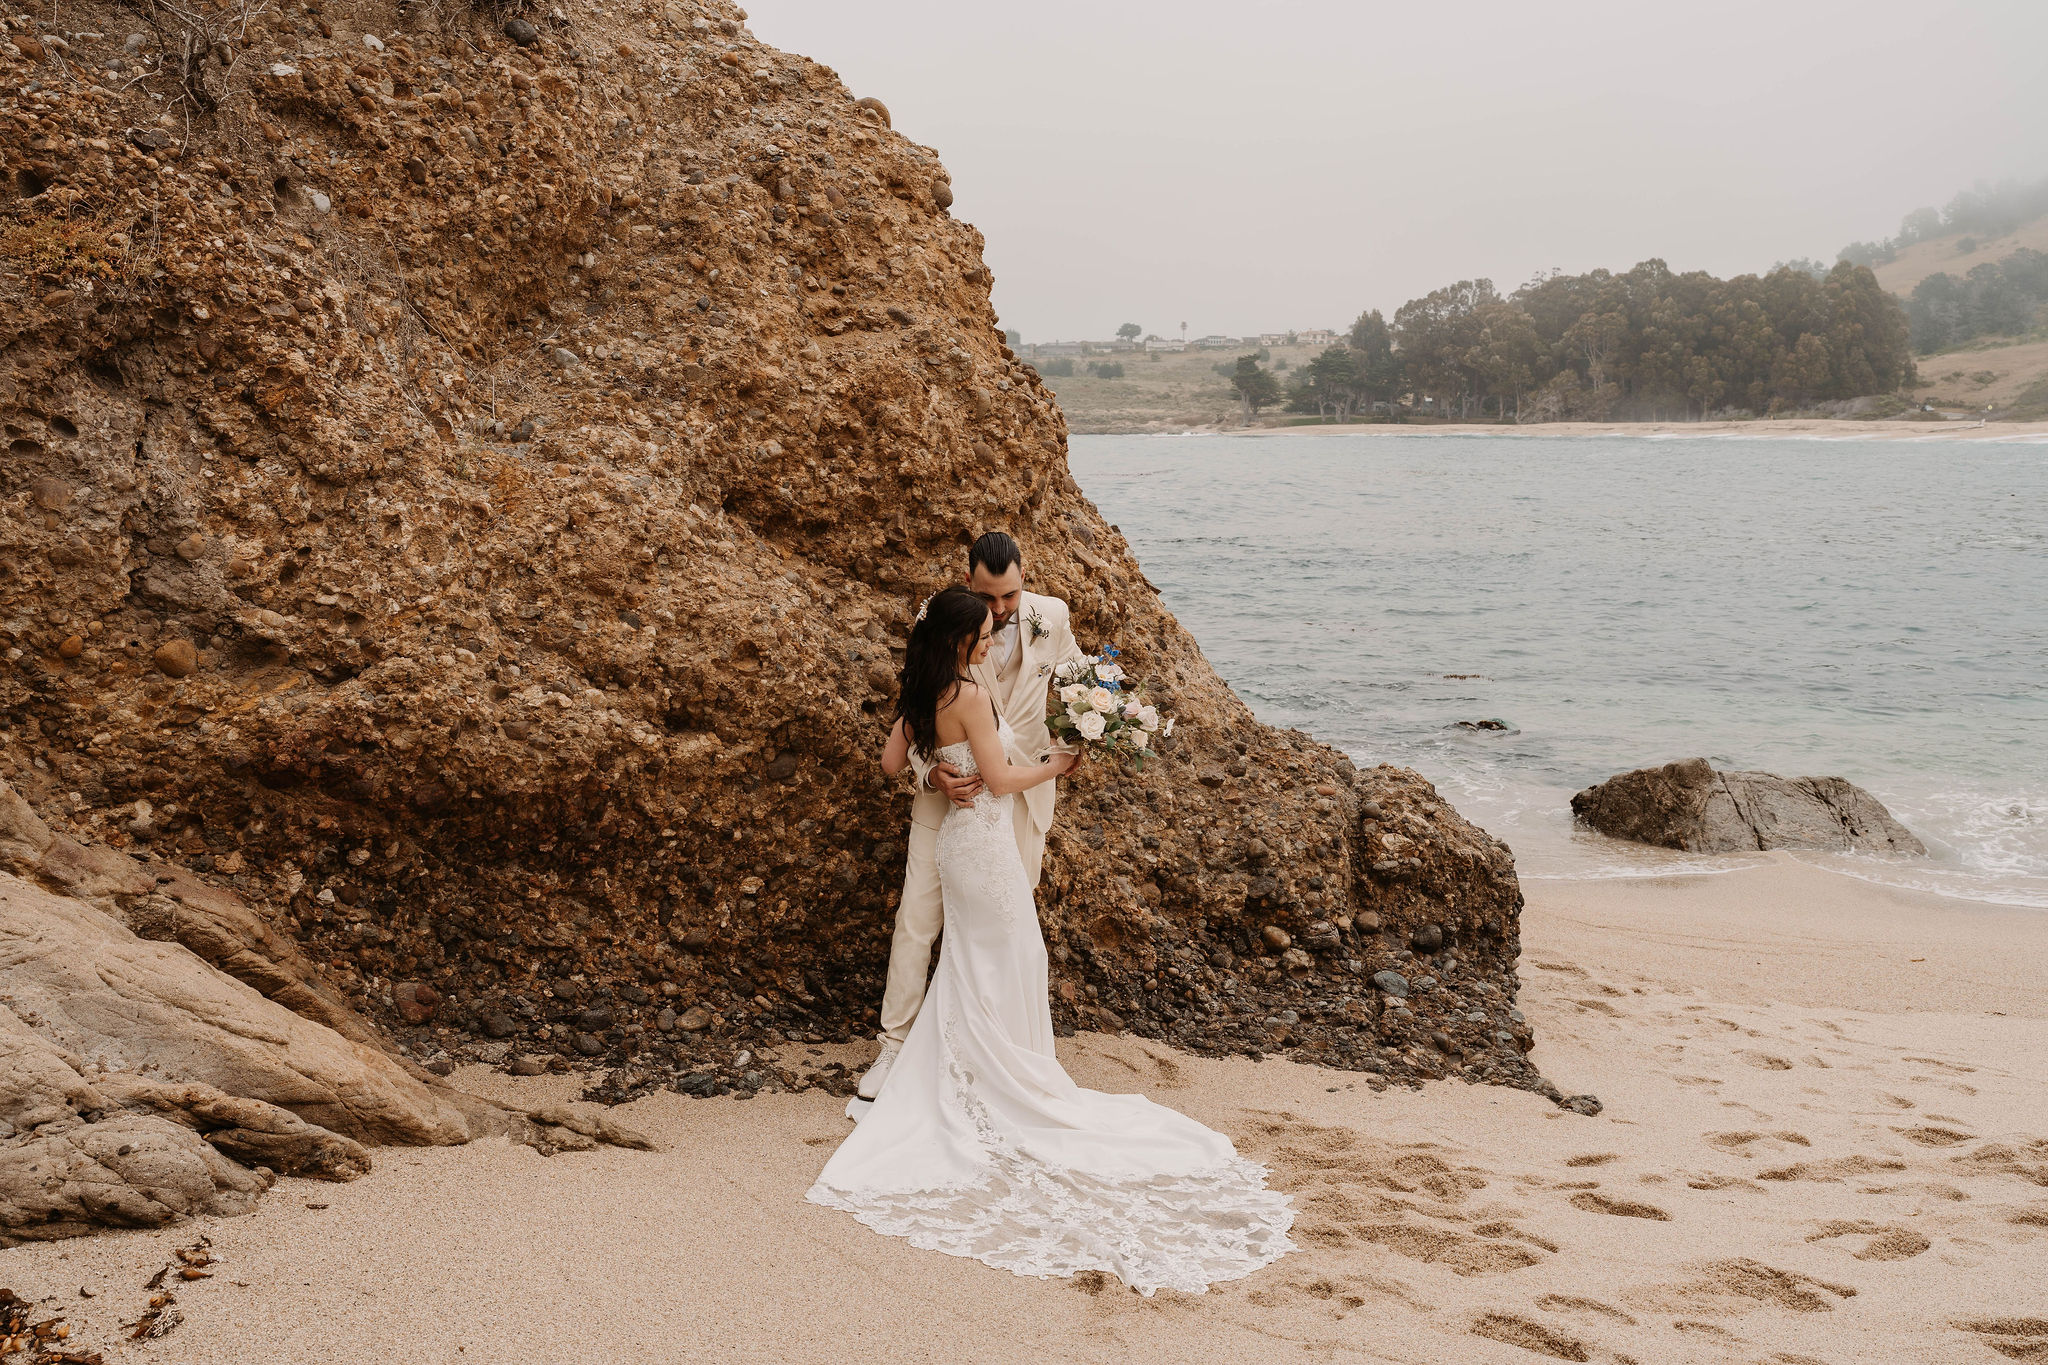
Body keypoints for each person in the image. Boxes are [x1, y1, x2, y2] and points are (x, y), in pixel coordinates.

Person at [807, 587, 1294, 1295]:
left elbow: (890, 764)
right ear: (959, 636)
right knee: (1011, 957)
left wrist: (933, 769)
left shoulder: (921, 688)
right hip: (982, 846)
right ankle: (1011, 1078)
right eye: (980, 631)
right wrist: (1057, 767)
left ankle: (971, 1068)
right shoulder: (968, 693)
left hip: (960, 846)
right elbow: (1001, 779)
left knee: (979, 961)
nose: (988, 638)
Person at [858, 532, 1083, 1101]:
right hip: (948, 805)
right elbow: (911, 727)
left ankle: (1002, 1047)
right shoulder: (948, 626)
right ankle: (895, 1045)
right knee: (917, 922)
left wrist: (1107, 718)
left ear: (1023, 578)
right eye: (989, 598)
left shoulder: (1052, 617)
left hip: (1020, 803)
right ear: (968, 584)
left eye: (1009, 596)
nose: (1001, 611)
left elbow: (1082, 682)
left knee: (1004, 928)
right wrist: (930, 772)